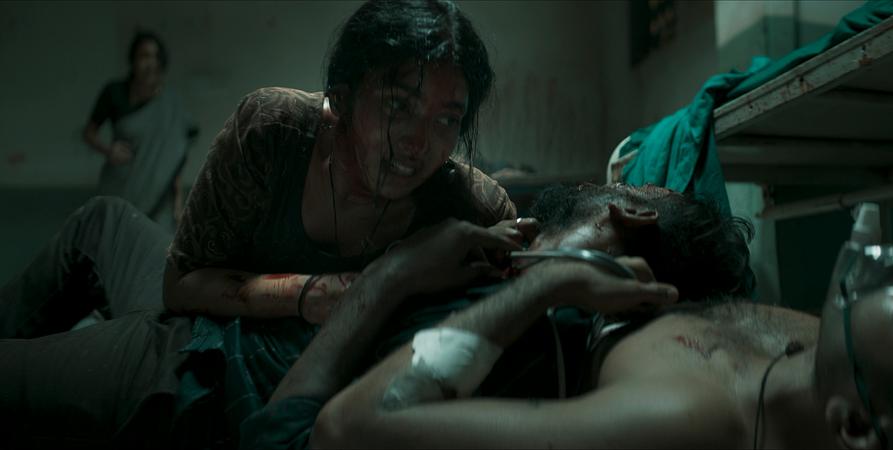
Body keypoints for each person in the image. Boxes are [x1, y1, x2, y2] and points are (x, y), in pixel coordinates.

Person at [0, 0, 517, 446]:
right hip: (201, 318)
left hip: (208, 368)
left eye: (447, 119)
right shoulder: (275, 130)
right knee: (103, 219)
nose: (418, 141)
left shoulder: (468, 205)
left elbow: (529, 274)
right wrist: (312, 292)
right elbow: (181, 283)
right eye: (398, 105)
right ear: (343, 96)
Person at [291, 236, 893, 448]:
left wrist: (547, 284)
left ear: (857, 427)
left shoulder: (686, 421)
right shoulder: (820, 352)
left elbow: (348, 430)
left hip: (362, 380)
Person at [241, 181, 754, 449]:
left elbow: (279, 440)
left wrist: (391, 274)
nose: (587, 185)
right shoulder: (510, 297)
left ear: (634, 213)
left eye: (631, 184)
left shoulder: (539, 334)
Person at [83, 30, 198, 231]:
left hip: (160, 201)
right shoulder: (114, 92)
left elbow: (174, 159)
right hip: (119, 188)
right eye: (144, 56)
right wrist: (109, 150)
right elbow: (88, 133)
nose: (150, 63)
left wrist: (178, 203)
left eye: (155, 57)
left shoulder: (170, 103)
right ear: (133, 60)